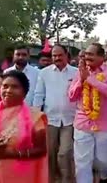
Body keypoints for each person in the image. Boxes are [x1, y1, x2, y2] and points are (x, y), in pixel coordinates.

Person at [68, 43, 107, 183]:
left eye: (91, 54)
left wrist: (89, 79)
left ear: (101, 56)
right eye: (86, 54)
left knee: (105, 161)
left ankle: (103, 176)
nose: (87, 57)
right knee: (82, 162)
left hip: (105, 124)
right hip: (83, 123)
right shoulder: (80, 71)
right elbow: (72, 96)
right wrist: (81, 79)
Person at [34, 45, 77, 183]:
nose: (57, 58)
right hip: (50, 119)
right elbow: (39, 94)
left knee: (64, 153)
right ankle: (51, 179)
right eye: (54, 56)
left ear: (66, 55)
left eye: (60, 55)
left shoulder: (76, 73)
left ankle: (66, 180)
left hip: (70, 120)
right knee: (50, 154)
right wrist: (36, 116)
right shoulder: (44, 73)